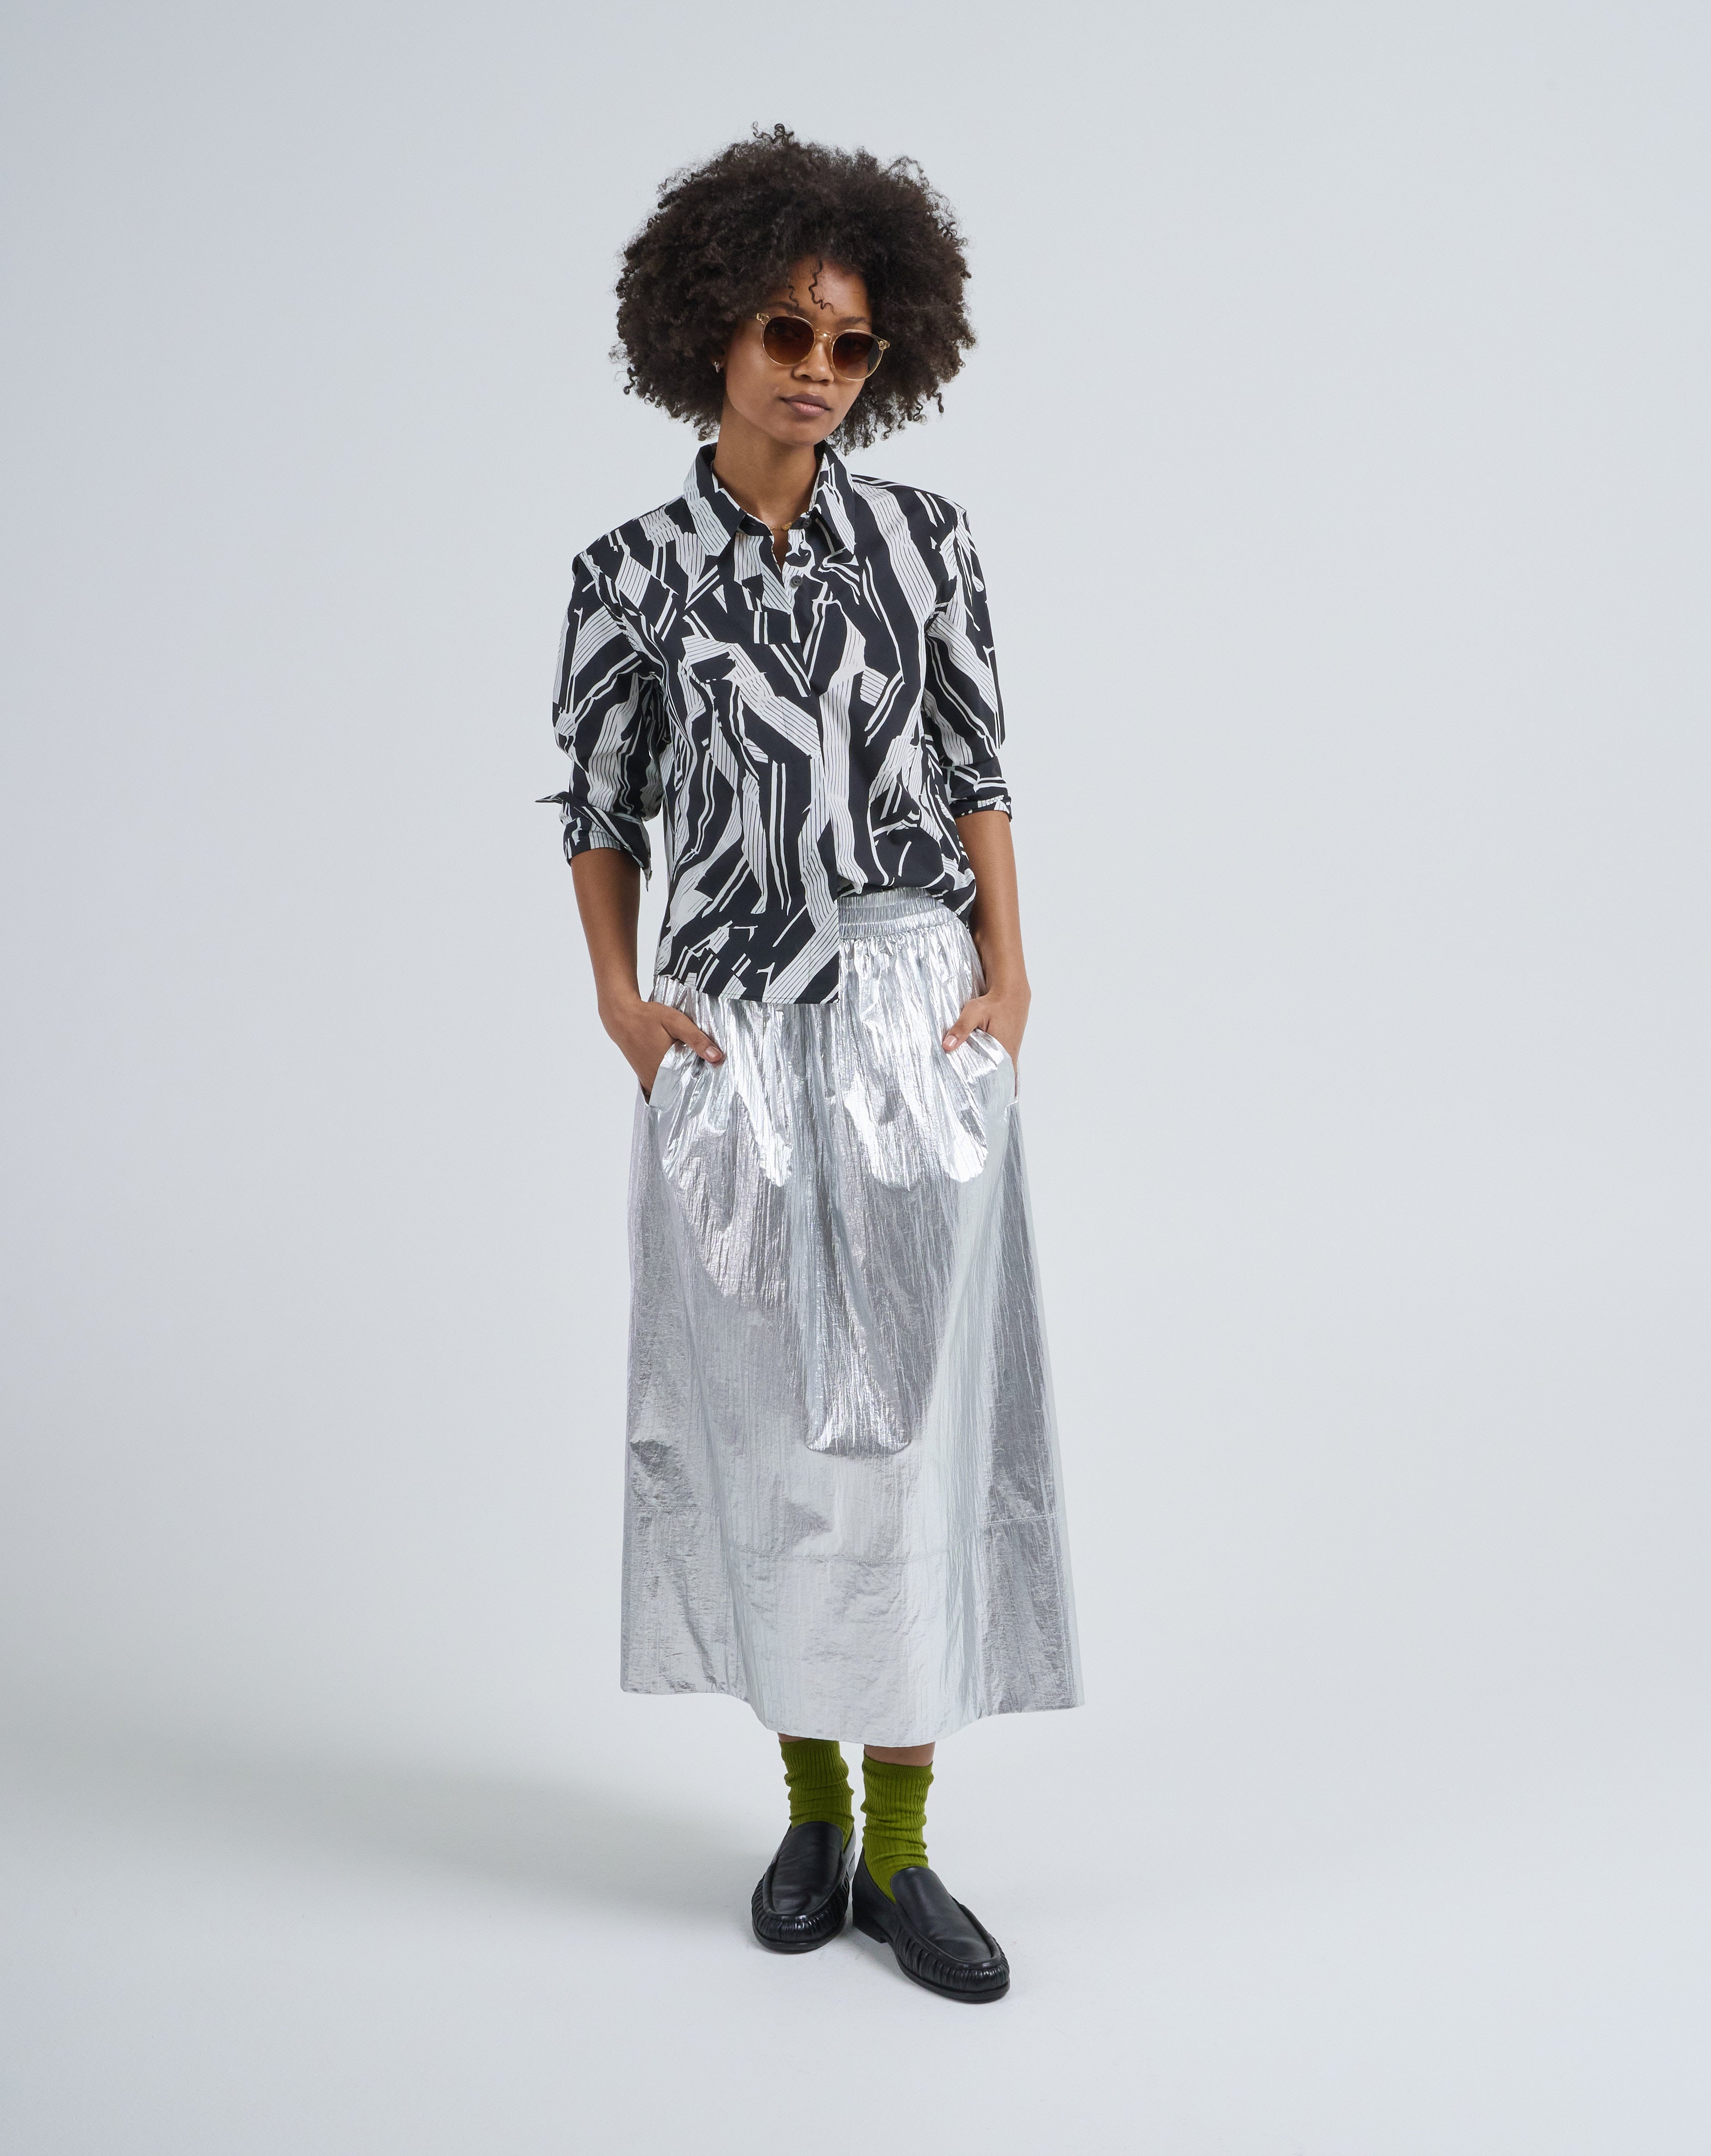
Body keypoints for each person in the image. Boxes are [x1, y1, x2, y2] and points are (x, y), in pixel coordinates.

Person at [547, 126, 1080, 2003]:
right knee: (767, 1427)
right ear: (711, 327)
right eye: (788, 330)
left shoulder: (927, 546)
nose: (819, 370)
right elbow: (598, 807)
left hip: (911, 1013)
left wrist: (1009, 980)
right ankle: (812, 1818)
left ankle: (908, 1854)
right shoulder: (630, 577)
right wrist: (621, 1005)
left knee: (916, 1442)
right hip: (731, 1035)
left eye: (853, 344)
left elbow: (979, 762)